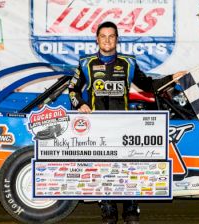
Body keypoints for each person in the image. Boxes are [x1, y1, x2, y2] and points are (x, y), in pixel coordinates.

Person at [68, 21, 186, 224]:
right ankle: (108, 207)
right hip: (97, 126)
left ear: (117, 39)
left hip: (124, 124)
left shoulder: (128, 63)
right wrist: (79, 104)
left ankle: (131, 205)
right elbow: (73, 89)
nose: (107, 40)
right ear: (97, 39)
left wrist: (171, 78)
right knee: (103, 167)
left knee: (128, 165)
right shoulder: (85, 62)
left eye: (111, 36)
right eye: (103, 36)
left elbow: (148, 85)